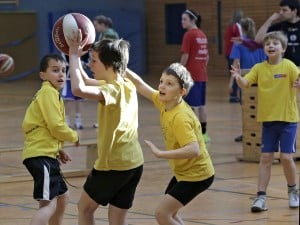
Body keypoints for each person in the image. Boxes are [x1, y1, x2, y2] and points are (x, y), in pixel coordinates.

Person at [67, 31, 144, 225]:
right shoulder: (125, 84)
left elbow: (78, 89)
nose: (90, 64)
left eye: (94, 61)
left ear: (109, 65)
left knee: (84, 209)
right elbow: (84, 80)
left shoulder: (112, 90)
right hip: (133, 163)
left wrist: (74, 56)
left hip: (113, 165)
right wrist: (76, 58)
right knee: (117, 220)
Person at [126, 63, 215, 225]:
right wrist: (121, 66)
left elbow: (193, 149)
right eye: (161, 81)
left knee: (162, 214)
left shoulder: (180, 117)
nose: (162, 86)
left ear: (181, 92)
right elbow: (139, 84)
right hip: (184, 172)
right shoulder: (165, 102)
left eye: (169, 83)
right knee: (170, 214)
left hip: (197, 175)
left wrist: (161, 154)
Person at [230, 31, 300, 212]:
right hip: (268, 121)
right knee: (266, 158)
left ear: (283, 48)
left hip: (287, 120)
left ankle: (293, 191)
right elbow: (245, 84)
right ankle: (261, 197)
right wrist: (238, 78)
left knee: (285, 157)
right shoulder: (259, 68)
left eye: (275, 43)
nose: (270, 45)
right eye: (267, 43)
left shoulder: (289, 66)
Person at [22, 54, 79, 225]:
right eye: (55, 70)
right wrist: (73, 136)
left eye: (63, 70)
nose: (61, 74)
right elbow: (55, 126)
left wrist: (58, 149)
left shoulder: (52, 93)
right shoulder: (47, 92)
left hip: (46, 154)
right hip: (41, 156)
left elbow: (44, 128)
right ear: (43, 75)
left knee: (63, 198)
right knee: (48, 204)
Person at [228, 17, 266, 142]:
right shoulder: (259, 44)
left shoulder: (239, 43)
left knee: (246, 108)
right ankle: (262, 132)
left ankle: (248, 133)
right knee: (260, 106)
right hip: (260, 79)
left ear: (242, 29)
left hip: (245, 79)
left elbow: (236, 62)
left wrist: (231, 82)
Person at [180, 9, 210, 143]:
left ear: (193, 20)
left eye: (185, 19)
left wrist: (179, 71)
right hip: (202, 75)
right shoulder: (202, 34)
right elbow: (207, 56)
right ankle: (204, 134)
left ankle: (193, 135)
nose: (182, 22)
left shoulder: (189, 35)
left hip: (191, 76)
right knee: (202, 105)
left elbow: (185, 55)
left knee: (191, 107)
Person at [254, 0, 300, 66]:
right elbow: (258, 40)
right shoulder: (278, 27)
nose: (281, 13)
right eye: (280, 10)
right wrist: (269, 20)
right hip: (282, 68)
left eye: (284, 10)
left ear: (294, 11)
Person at [224, 9, 244, 103]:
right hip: (234, 52)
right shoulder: (237, 26)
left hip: (228, 52)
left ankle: (233, 94)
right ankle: (234, 95)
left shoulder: (229, 27)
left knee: (232, 73)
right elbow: (241, 39)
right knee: (236, 73)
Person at [61, 54, 84, 129]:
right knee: (69, 100)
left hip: (80, 78)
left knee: (79, 99)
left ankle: (78, 120)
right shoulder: (65, 50)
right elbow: (65, 63)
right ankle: (66, 120)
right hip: (69, 78)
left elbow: (86, 61)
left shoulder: (83, 48)